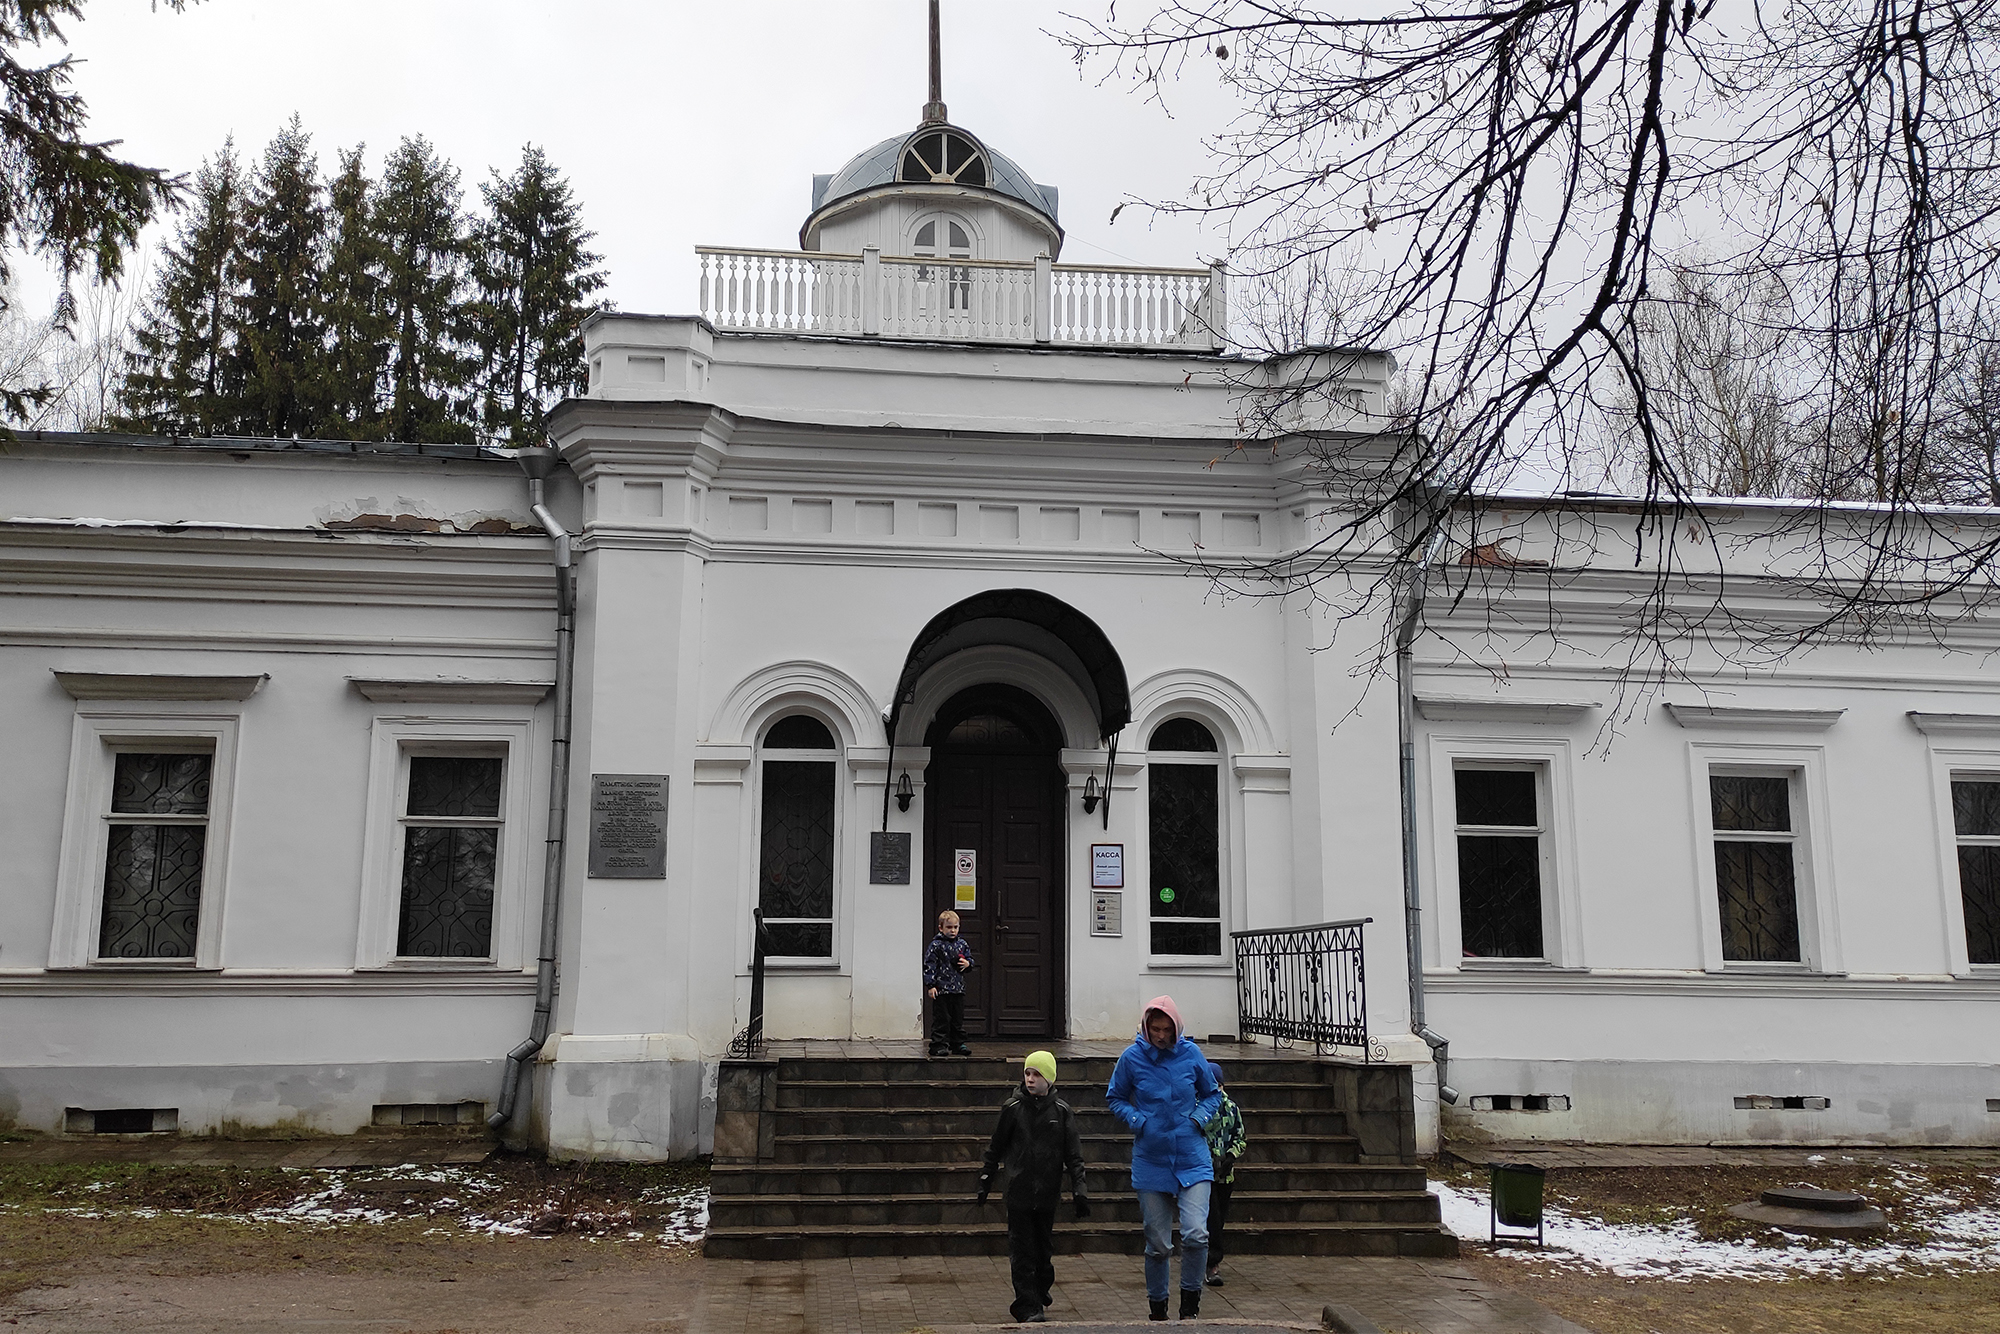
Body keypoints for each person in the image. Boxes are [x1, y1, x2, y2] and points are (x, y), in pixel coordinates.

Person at [1106, 995, 1219, 1322]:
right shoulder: (1131, 1058)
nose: (1160, 1035)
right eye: (1154, 1029)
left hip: (1192, 1158)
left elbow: (1212, 1095)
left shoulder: (1191, 1054)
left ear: (1176, 1027)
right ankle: (1158, 1313)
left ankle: (1189, 1308)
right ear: (1145, 1026)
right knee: (1157, 1244)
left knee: (1196, 1234)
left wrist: (1197, 1119)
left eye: (1166, 1030)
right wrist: (1137, 1120)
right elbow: (1115, 1097)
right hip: (1151, 1159)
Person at [978, 1050, 1090, 1324]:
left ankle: (1040, 1289)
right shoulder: (1013, 1109)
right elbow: (996, 1147)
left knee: (1043, 1250)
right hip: (1019, 1192)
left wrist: (1080, 1188)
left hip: (1048, 1193)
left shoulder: (1061, 1112)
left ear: (1049, 1079)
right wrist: (986, 1179)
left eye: (1037, 1074)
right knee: (1022, 1251)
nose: (1030, 1079)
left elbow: (1073, 1154)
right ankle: (1027, 1305)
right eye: (1027, 1073)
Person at [1200, 1061, 1248, 1288]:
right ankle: (1211, 1263)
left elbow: (1240, 1137)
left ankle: (1208, 1257)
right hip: (1203, 1173)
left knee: (1220, 1218)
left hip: (1225, 1176)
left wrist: (1230, 1157)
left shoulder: (1231, 1108)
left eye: (1218, 1084)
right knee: (1211, 1217)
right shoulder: (1197, 1108)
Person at [922, 909, 973, 1056]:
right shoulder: (936, 945)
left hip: (957, 988)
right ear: (941, 928)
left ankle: (957, 1044)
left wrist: (968, 964)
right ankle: (938, 1045)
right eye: (949, 927)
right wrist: (930, 985)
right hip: (941, 989)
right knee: (942, 1018)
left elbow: (969, 959)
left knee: (957, 1018)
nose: (952, 930)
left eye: (955, 927)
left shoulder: (962, 944)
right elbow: (929, 966)